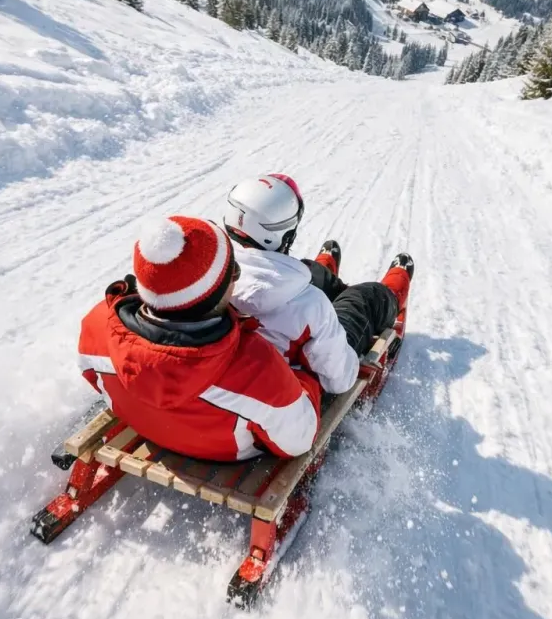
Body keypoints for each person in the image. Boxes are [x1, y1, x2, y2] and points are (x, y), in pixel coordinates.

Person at [77, 216, 322, 462]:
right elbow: (298, 441)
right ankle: (326, 269)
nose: (236, 276)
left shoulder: (96, 325)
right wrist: (301, 380)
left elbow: (93, 379)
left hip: (147, 425)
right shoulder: (258, 370)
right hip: (226, 453)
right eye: (233, 271)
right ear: (214, 293)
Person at [223, 174, 413, 395]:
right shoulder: (311, 305)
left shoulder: (209, 276)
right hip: (294, 397)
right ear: (283, 236)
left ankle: (328, 278)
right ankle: (391, 290)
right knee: (363, 299)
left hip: (239, 381)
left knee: (309, 271)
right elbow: (340, 378)